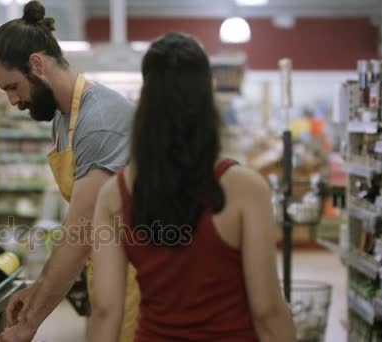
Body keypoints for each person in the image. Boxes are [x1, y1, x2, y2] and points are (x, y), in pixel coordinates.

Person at [89, 33, 297, 342]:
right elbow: (266, 310)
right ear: (207, 95)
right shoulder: (246, 188)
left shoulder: (115, 194)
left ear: (146, 100)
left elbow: (106, 310)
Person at [0, 1, 140, 341]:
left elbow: (81, 231)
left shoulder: (97, 122)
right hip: (111, 270)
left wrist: (30, 323)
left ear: (37, 65)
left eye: (12, 87)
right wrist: (39, 290)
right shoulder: (63, 117)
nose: (12, 100)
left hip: (142, 280)